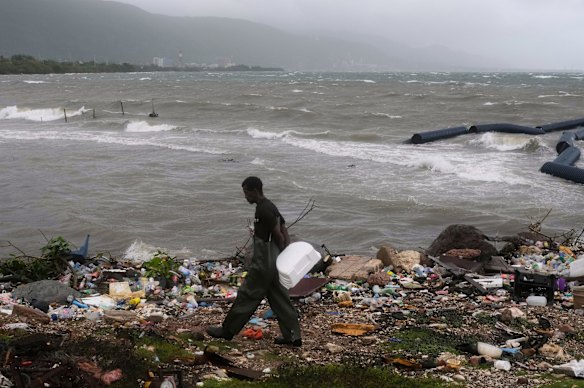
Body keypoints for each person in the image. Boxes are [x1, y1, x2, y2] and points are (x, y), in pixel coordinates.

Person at [206, 176, 302, 346]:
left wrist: (279, 252)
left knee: (247, 294)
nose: (245, 197)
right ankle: (293, 337)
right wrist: (284, 253)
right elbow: (283, 228)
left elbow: (278, 233)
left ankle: (227, 331)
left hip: (265, 258)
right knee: (279, 298)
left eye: (246, 193)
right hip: (274, 258)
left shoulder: (263, 209)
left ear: (254, 191)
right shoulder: (270, 206)